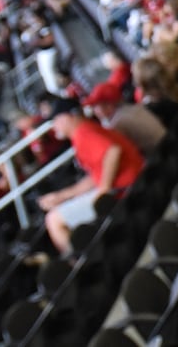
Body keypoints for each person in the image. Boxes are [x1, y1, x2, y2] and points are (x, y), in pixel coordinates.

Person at [39, 99, 143, 256]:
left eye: (56, 120)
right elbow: (96, 175)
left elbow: (113, 151)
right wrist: (62, 196)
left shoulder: (82, 133)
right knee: (56, 215)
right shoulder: (84, 130)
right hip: (129, 181)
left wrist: (104, 189)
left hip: (123, 187)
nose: (55, 127)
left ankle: (85, 264)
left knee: (53, 220)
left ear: (68, 117)